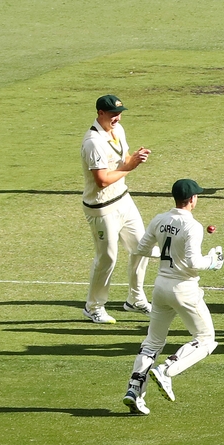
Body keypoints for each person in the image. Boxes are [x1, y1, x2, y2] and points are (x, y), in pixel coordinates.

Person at [122, 179, 224, 415]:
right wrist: (214, 261)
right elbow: (194, 263)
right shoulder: (193, 226)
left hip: (160, 288)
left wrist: (167, 255)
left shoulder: (159, 219)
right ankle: (167, 369)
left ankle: (134, 390)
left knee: (152, 343)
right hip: (184, 290)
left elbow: (141, 249)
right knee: (206, 338)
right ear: (192, 200)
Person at [80, 94, 153, 324]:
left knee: (142, 247)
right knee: (107, 258)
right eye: (112, 114)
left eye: (119, 114)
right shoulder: (93, 142)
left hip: (123, 199)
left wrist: (135, 158)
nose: (117, 118)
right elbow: (101, 180)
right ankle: (94, 307)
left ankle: (135, 299)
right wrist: (130, 167)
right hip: (101, 207)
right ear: (100, 113)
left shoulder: (118, 131)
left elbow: (123, 160)